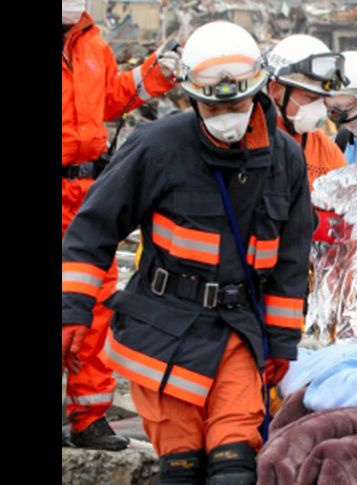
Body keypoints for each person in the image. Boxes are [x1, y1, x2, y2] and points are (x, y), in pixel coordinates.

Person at [61, 21, 312, 483]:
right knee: (181, 468)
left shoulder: (285, 159)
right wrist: (72, 309)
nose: (225, 115)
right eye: (213, 105)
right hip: (162, 331)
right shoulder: (157, 147)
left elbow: (292, 262)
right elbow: (92, 229)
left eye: (235, 103)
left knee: (235, 464)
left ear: (258, 91)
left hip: (235, 330)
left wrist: (280, 342)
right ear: (192, 98)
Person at [61, 0, 178, 450]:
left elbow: (111, 97)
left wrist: (156, 73)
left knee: (95, 301)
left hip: (86, 190)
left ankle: (89, 416)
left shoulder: (94, 45)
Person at [265, 34, 347, 190]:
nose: (320, 107)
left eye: (323, 99)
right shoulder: (251, 143)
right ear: (275, 90)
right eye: (310, 97)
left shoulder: (328, 154)